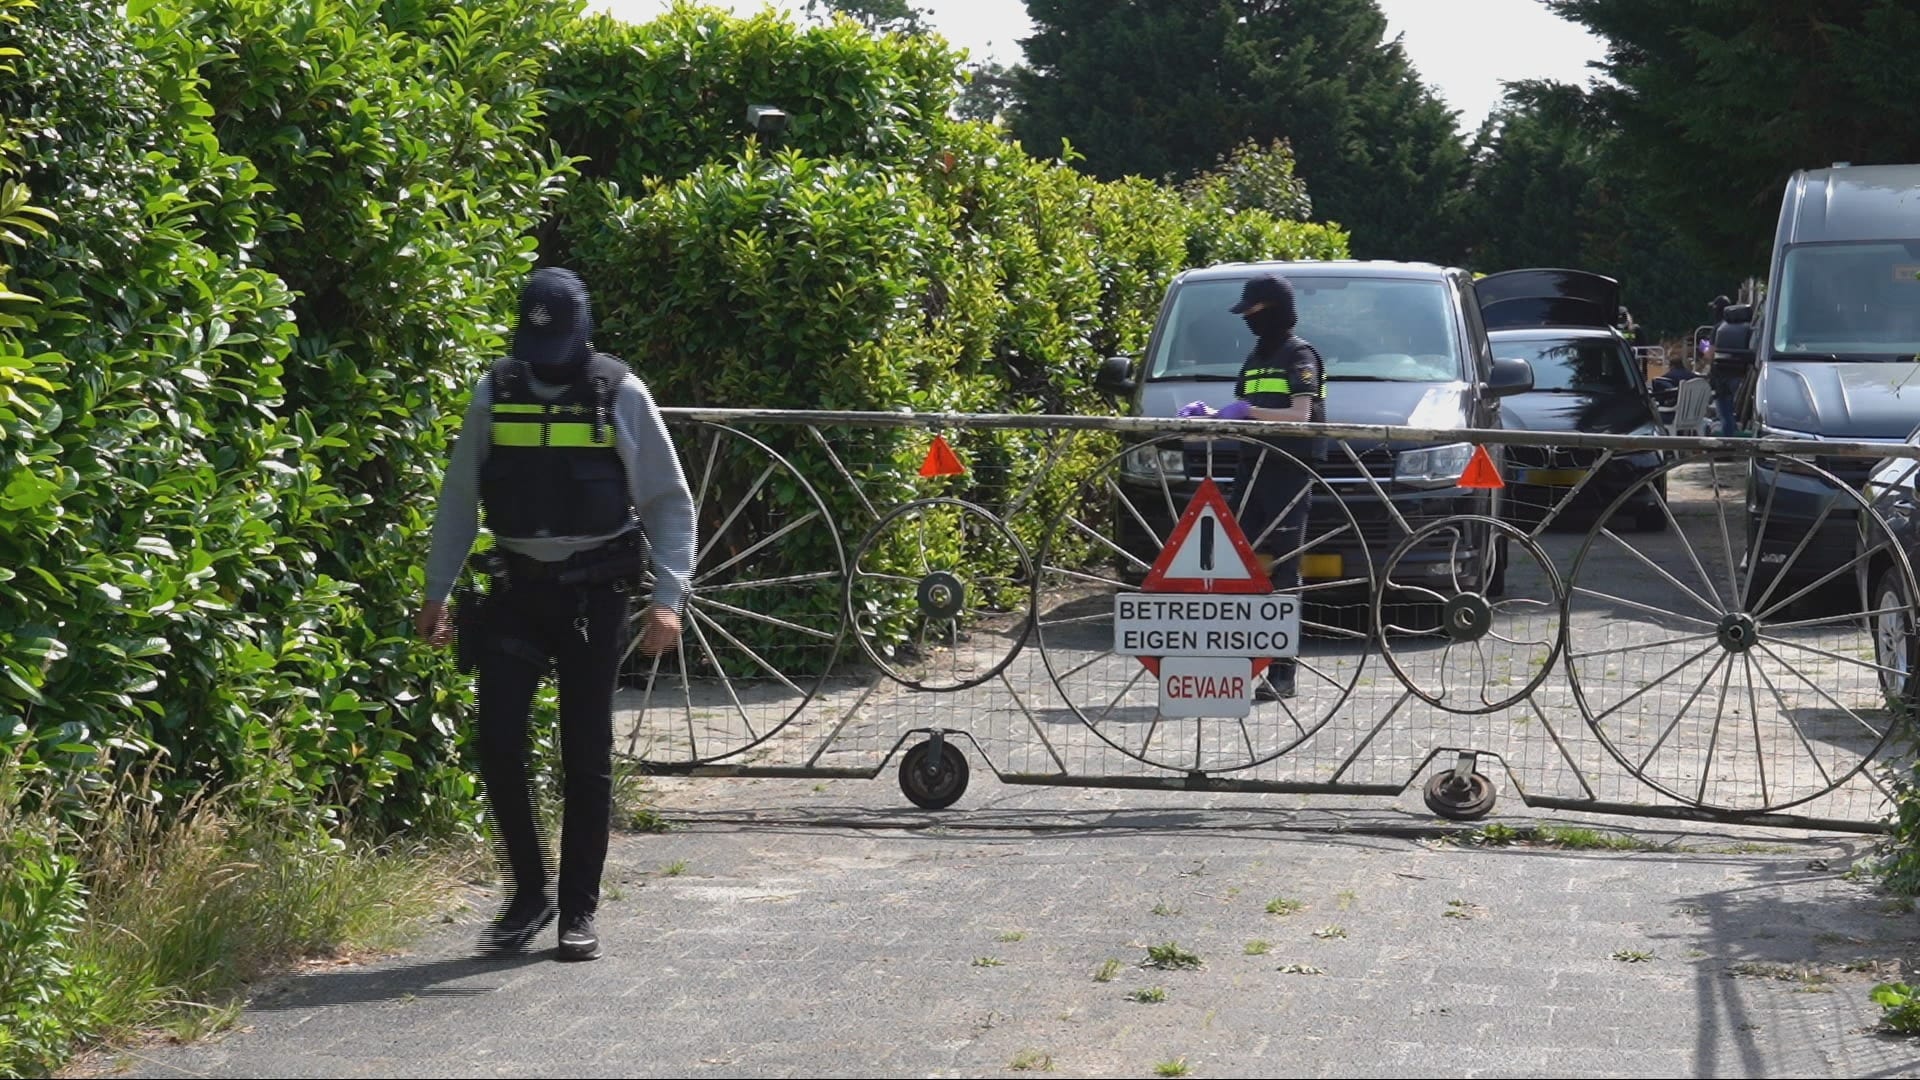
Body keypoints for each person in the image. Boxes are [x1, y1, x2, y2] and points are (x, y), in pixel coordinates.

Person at [415, 267, 695, 962]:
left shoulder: (619, 392)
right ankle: (529, 894)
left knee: (586, 756)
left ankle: (578, 910)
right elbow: (459, 497)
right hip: (516, 591)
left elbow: (668, 501)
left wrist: (668, 599)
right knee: (498, 744)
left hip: (593, 596)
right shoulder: (495, 391)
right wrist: (436, 590)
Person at [1177, 273, 1325, 700]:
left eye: (1254, 312)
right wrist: (1211, 418)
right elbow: (1243, 412)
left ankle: (1282, 673)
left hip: (1287, 470)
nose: (1248, 320)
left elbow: (1300, 415)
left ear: (1275, 310)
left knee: (1285, 569)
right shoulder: (1256, 358)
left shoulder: (1300, 355)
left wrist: (1246, 411)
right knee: (1231, 561)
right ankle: (1233, 662)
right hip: (1251, 467)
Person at [1708, 302, 1758, 436]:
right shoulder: (1750, 329)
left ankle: (1728, 441)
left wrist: (1702, 346)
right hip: (1743, 377)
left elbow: (1710, 353)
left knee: (1725, 414)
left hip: (1720, 376)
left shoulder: (1719, 328)